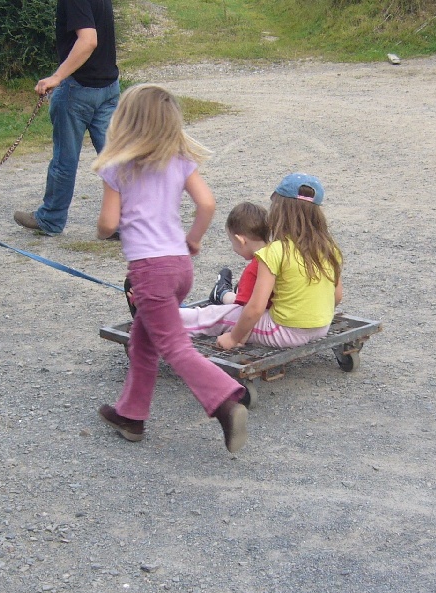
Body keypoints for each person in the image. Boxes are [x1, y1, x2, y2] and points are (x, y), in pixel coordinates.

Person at [91, 83, 249, 453]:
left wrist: (103, 231)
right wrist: (193, 239)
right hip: (179, 266)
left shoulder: (117, 168)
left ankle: (226, 401)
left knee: (175, 346)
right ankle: (130, 415)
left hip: (149, 271)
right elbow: (207, 204)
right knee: (144, 342)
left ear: (125, 121)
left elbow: (107, 224)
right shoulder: (179, 161)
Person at [181, 173, 343, 350]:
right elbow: (336, 296)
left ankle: (164, 321)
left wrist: (233, 338)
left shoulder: (275, 251)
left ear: (278, 212)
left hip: (285, 332)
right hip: (321, 327)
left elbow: (255, 308)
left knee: (221, 314)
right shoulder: (329, 248)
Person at [13, 0, 120, 236]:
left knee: (65, 160)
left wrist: (57, 77)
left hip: (78, 90)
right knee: (115, 160)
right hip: (109, 86)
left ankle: (51, 219)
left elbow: (88, 40)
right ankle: (122, 222)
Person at [179, 201, 272, 336]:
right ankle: (221, 292)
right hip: (272, 313)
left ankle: (167, 315)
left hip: (260, 319)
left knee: (211, 315)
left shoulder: (253, 270)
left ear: (240, 240)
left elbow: (247, 311)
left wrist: (237, 339)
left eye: (231, 241)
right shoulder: (277, 253)